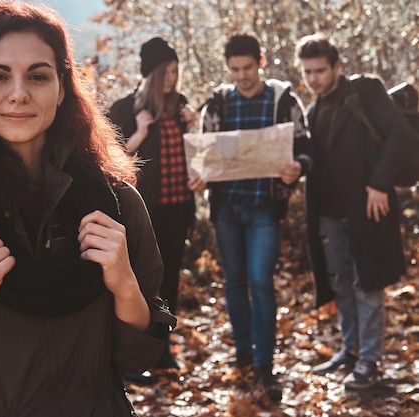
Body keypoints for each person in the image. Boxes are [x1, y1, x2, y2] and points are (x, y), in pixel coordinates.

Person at [0, 3, 176, 416]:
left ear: (62, 88)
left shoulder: (117, 208)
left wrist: (125, 284)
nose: (18, 93)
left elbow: (141, 361)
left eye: (38, 76)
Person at [296, 33, 416, 390]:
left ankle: (369, 361)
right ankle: (350, 351)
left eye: (320, 70)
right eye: (307, 72)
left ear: (336, 66)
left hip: (368, 208)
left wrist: (380, 184)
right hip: (331, 216)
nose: (313, 78)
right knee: (342, 285)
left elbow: (401, 137)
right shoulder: (314, 110)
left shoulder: (364, 91)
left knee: (369, 284)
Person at [198, 33, 311, 401]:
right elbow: (203, 157)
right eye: (235, 69)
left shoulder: (282, 100)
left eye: (248, 68)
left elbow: (306, 147)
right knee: (234, 282)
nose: (242, 76)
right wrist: (199, 176)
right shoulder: (217, 104)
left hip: (265, 205)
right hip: (227, 207)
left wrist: (299, 167)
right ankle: (242, 351)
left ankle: (265, 362)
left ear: (260, 62)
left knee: (261, 281)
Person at [108, 37, 205, 375]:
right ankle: (133, 352)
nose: (171, 79)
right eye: (165, 72)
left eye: (176, 72)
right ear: (151, 74)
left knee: (171, 278)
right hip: (143, 212)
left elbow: (199, 155)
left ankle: (163, 348)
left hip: (178, 208)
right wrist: (139, 132)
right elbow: (110, 161)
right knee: (140, 279)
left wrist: (193, 126)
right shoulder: (126, 108)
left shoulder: (181, 106)